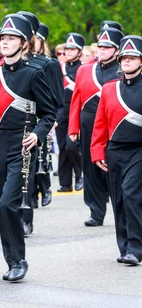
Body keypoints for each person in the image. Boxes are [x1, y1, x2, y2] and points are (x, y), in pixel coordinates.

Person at [0, 13, 55, 282]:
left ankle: (19, 259)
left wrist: (38, 135)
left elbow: (49, 113)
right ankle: (11, 260)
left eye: (11, 38)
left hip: (23, 143)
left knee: (9, 202)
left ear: (24, 43)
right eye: (2, 38)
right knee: (1, 207)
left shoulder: (34, 73)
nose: (4, 42)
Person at [91, 35, 142, 266]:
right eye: (124, 57)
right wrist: (97, 151)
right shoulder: (110, 88)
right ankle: (124, 246)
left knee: (131, 193)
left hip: (139, 149)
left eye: (132, 57)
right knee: (119, 198)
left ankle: (136, 246)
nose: (127, 60)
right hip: (115, 150)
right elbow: (100, 123)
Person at [69, 23, 124, 227]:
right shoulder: (84, 70)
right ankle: (96, 210)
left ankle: (121, 209)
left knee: (112, 168)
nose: (101, 50)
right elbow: (76, 101)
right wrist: (73, 128)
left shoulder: (122, 71)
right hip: (87, 125)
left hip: (114, 128)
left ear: (117, 50)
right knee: (90, 169)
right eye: (100, 46)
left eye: (107, 47)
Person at [19, 12, 63, 214]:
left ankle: (43, 187)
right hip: (20, 119)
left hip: (41, 118)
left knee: (40, 159)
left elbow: (57, 97)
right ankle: (28, 199)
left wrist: (54, 120)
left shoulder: (48, 63)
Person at [56, 33, 85, 193]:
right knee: (62, 147)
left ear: (80, 51)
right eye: (67, 48)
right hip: (62, 111)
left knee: (72, 145)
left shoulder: (84, 68)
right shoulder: (60, 67)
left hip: (77, 112)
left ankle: (80, 175)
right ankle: (65, 183)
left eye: (73, 49)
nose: (69, 51)